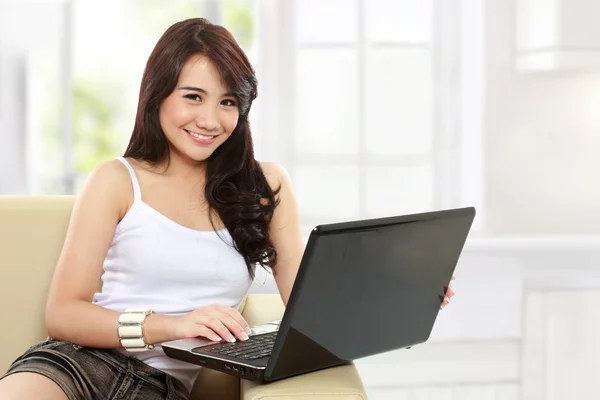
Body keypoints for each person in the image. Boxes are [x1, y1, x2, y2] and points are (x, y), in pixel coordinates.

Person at [0, 17, 455, 400]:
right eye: (192, 97)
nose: (210, 120)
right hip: (75, 366)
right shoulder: (118, 180)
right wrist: (173, 325)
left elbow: (308, 302)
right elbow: (63, 314)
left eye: (228, 102)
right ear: (157, 95)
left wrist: (404, 293)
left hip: (159, 388)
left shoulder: (265, 186)